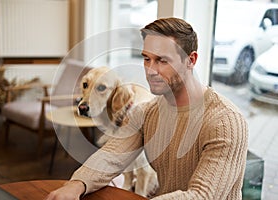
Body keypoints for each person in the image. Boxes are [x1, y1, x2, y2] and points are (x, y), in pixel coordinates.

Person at [46, 17, 248, 200]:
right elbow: (110, 156)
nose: (150, 70)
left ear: (191, 60)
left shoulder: (226, 122)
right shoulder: (147, 112)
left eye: (162, 60)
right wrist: (77, 184)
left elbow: (203, 195)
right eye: (146, 59)